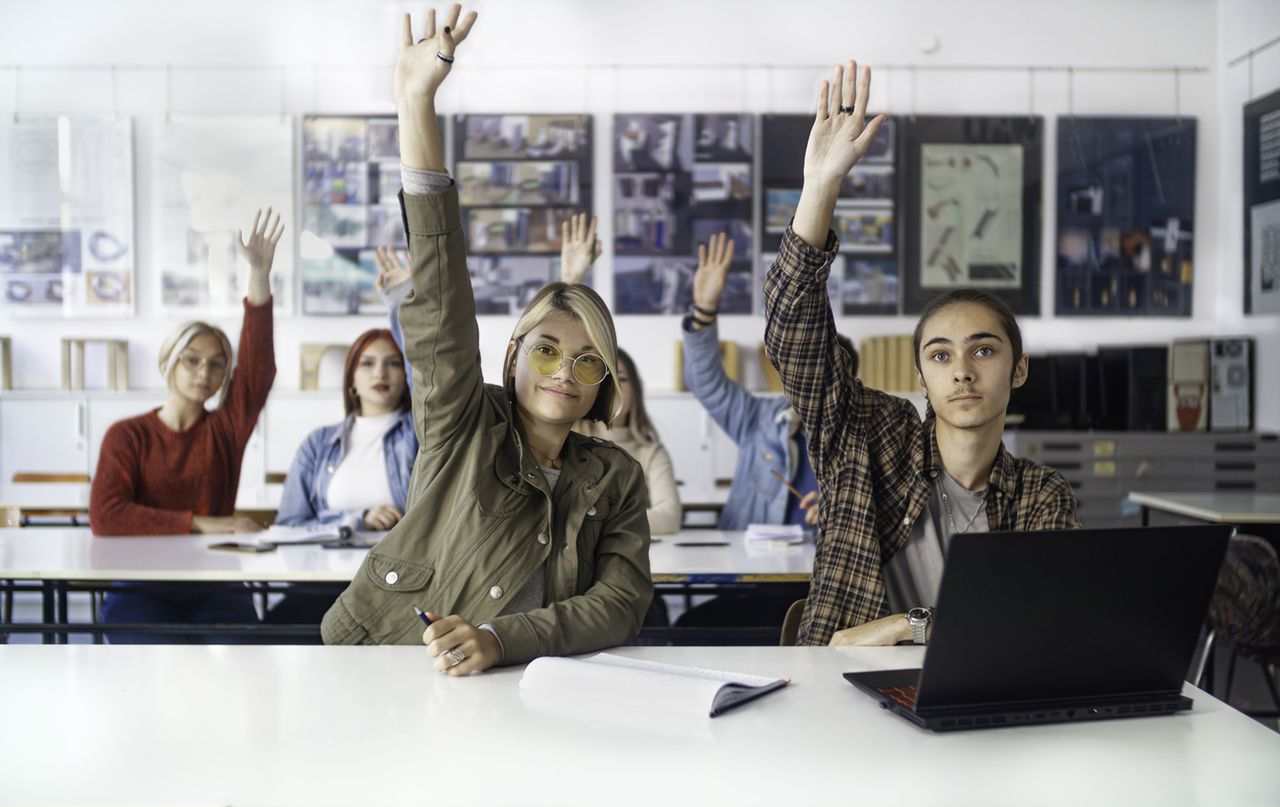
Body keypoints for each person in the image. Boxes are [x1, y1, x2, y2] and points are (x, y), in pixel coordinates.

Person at [322, 5, 653, 677]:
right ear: (513, 357)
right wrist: (415, 105)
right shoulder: (465, 425)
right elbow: (441, 314)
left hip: (525, 686)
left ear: (604, 384)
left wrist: (503, 638)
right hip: (389, 670)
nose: (565, 369)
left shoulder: (617, 476)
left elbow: (620, 601)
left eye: (588, 360)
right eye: (547, 350)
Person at [762, 60, 1079, 648]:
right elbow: (792, 333)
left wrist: (911, 625)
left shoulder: (1040, 494)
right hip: (837, 700)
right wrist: (821, 187)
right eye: (940, 355)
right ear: (920, 375)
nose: (961, 369)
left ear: (1019, 368)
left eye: (983, 350)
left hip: (977, 702)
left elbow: (1047, 623)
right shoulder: (868, 437)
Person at [89, 209, 283, 642]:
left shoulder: (226, 430)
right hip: (142, 585)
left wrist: (258, 275)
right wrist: (203, 522)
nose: (204, 372)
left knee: (238, 659)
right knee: (148, 666)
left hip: (215, 582)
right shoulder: (127, 435)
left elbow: (256, 368)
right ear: (168, 363)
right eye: (191, 360)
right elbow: (107, 516)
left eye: (216, 365)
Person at [683, 232, 857, 530]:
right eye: (807, 368)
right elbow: (706, 383)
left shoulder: (864, 439)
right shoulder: (761, 419)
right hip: (751, 563)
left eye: (831, 373)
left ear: (851, 381)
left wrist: (838, 514)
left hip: (818, 565)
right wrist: (704, 310)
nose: (815, 382)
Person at [559, 213, 681, 536]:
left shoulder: (648, 451)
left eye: (622, 379)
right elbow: (563, 345)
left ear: (637, 391)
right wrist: (571, 282)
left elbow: (670, 517)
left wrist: (600, 523)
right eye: (605, 378)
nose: (614, 388)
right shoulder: (567, 438)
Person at [274, 328, 416, 531]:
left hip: (403, 561)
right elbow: (289, 525)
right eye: (367, 364)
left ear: (406, 377)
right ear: (352, 379)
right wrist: (357, 519)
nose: (380, 373)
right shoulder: (318, 444)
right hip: (328, 562)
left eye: (393, 363)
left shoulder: (421, 437)